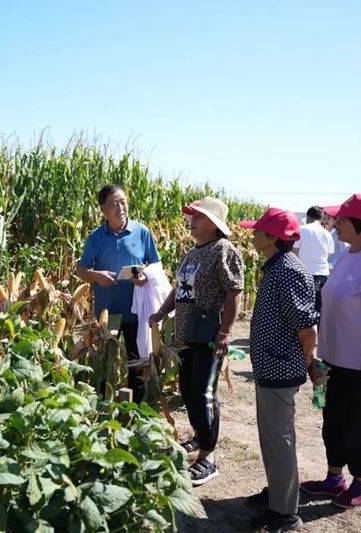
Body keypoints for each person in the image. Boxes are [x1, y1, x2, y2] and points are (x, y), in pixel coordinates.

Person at [300, 193, 361, 509]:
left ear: (359, 225)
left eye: (340, 219)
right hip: (334, 360)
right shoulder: (345, 255)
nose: (334, 223)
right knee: (334, 420)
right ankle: (333, 478)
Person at [148, 197, 244, 486]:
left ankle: (209, 456)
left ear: (214, 224)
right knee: (188, 391)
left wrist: (225, 333)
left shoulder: (222, 250)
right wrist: (162, 312)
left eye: (198, 218)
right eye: (192, 217)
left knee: (204, 394)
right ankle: (201, 437)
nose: (192, 222)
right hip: (185, 337)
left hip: (208, 336)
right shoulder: (191, 254)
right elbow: (179, 290)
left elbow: (233, 292)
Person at [239, 207, 319, 532]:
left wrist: (310, 362)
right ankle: (277, 495)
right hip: (271, 366)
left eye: (258, 230)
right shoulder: (276, 267)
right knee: (271, 437)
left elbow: (307, 329)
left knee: (280, 438)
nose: (252, 234)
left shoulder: (288, 271)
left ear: (272, 237)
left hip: (281, 368)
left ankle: (286, 513)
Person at [76, 184, 161, 403]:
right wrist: (96, 276)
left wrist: (144, 277)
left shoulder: (141, 232)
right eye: (114, 204)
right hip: (107, 312)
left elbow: (156, 265)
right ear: (103, 209)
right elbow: (81, 270)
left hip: (135, 310)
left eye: (123, 202)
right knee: (105, 360)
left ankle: (136, 407)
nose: (120, 207)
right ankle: (102, 404)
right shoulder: (96, 238)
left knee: (136, 359)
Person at [293, 206, 334, 311]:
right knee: (318, 308)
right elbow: (328, 255)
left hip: (304, 274)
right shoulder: (327, 234)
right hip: (323, 275)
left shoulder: (302, 230)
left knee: (303, 308)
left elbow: (294, 252)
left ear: (307, 217)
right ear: (321, 218)